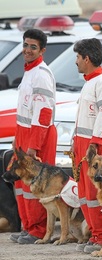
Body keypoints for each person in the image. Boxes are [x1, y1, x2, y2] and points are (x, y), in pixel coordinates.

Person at [9, 29, 57, 244]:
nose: (27, 50)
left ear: (42, 50)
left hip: (38, 136)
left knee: (37, 184)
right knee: (21, 181)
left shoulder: (42, 75)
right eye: (25, 45)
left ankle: (38, 230)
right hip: (24, 134)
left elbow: (43, 114)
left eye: (33, 47)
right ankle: (28, 227)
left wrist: (33, 146)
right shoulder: (30, 71)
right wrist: (17, 138)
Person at [71, 38, 102, 254]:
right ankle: (95, 234)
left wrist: (95, 144)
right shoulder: (89, 82)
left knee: (95, 195)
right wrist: (74, 142)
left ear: (87, 58)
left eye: (78, 57)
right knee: (84, 194)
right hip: (83, 145)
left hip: (94, 147)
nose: (76, 62)